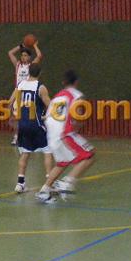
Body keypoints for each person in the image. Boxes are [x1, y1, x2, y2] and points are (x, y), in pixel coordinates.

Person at [36, 70, 95, 203]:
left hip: (51, 132)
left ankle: (44, 191)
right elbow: (78, 114)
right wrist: (78, 126)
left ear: (64, 82)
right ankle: (66, 183)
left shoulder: (58, 96)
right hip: (64, 132)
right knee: (89, 156)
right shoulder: (76, 95)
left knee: (62, 163)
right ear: (77, 82)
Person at [8, 63, 53, 193]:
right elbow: (49, 104)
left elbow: (10, 102)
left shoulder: (20, 85)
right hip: (36, 124)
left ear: (28, 72)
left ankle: (20, 183)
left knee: (25, 153)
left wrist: (12, 116)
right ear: (40, 73)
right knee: (48, 151)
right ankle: (50, 183)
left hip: (22, 124)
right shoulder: (40, 87)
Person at [8, 41, 43, 145]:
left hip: (29, 93)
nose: (23, 57)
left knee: (30, 117)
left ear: (29, 57)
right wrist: (21, 46)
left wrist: (34, 45)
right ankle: (16, 137)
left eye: (25, 55)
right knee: (17, 117)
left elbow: (39, 56)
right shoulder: (18, 65)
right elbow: (10, 53)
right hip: (18, 93)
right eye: (22, 55)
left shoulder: (32, 66)